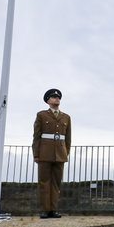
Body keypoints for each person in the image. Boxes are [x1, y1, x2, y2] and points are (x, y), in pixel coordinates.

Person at [32, 88, 71, 219]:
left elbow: (68, 138)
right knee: (44, 182)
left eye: (58, 97)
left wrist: (66, 152)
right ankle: (45, 210)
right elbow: (36, 136)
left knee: (56, 183)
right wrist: (36, 154)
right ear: (48, 101)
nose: (56, 99)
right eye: (53, 97)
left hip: (60, 153)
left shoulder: (66, 117)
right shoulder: (41, 115)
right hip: (44, 152)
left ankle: (53, 209)